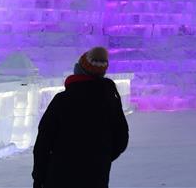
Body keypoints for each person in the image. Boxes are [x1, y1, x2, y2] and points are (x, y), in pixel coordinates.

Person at [32, 47, 128, 188]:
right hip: (96, 177)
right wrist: (100, 158)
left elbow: (43, 143)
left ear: (79, 70)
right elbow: (121, 140)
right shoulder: (110, 101)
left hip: (59, 176)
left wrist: (39, 177)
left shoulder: (62, 100)